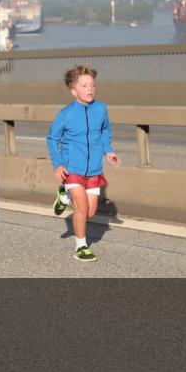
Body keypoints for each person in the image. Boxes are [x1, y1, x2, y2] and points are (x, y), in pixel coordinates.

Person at [46, 65, 120, 263]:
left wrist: (108, 150)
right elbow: (53, 139)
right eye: (84, 85)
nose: (90, 89)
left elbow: (105, 130)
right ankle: (81, 247)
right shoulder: (65, 114)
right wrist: (58, 163)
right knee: (81, 207)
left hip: (94, 168)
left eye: (92, 85)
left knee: (89, 212)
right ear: (73, 91)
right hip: (73, 167)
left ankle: (64, 197)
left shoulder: (101, 109)